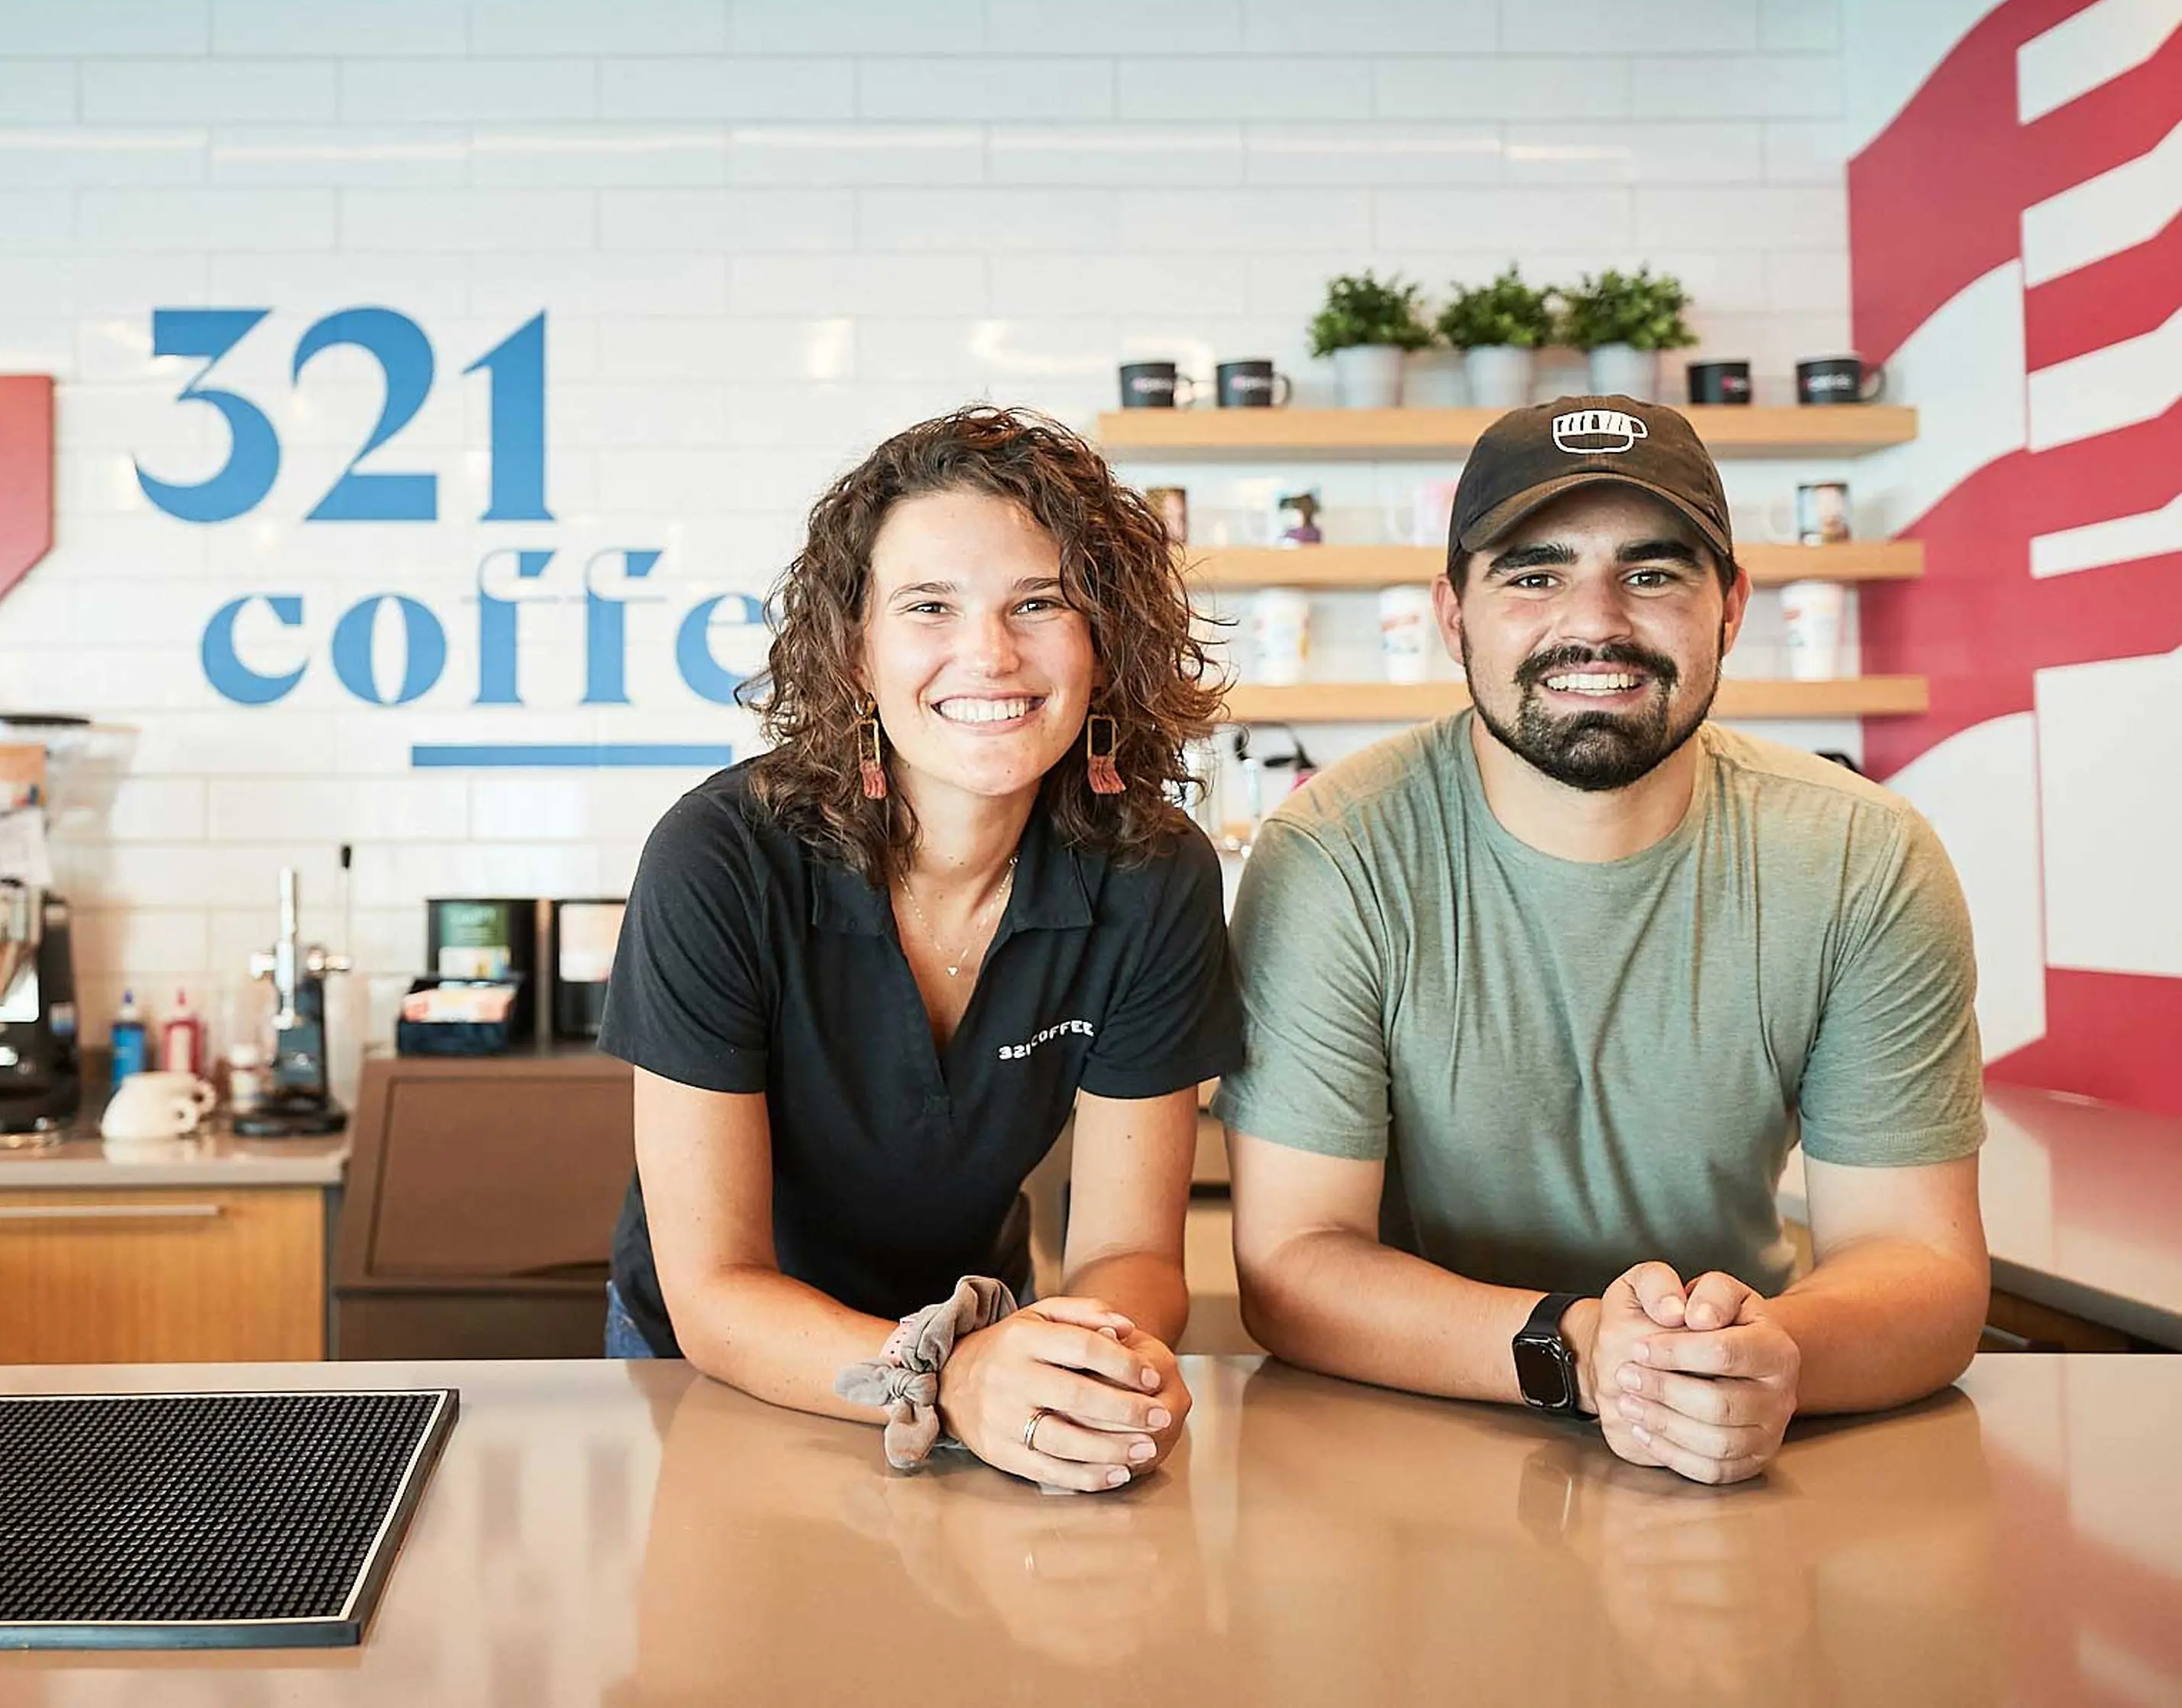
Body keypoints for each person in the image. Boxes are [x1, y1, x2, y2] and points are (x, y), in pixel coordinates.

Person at [1216, 397, 1990, 1486]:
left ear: (1731, 607)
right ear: (1453, 615)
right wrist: (1578, 1350)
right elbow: (1291, 1263)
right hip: (1411, 1449)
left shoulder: (1864, 856)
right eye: (1534, 574)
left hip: (1738, 1441)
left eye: (1654, 572)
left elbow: (1923, 1262)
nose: (1598, 621)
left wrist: (1767, 1362)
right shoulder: (1336, 856)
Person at [602, 406, 1242, 1493]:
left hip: (989, 1346)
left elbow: (1130, 1250)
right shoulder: (721, 860)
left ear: (1105, 641)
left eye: (1038, 602)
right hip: (729, 1364)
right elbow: (715, 1288)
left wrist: (1097, 1362)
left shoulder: (1151, 870)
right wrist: (944, 1374)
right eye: (929, 606)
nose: (987, 653)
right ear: (857, 649)